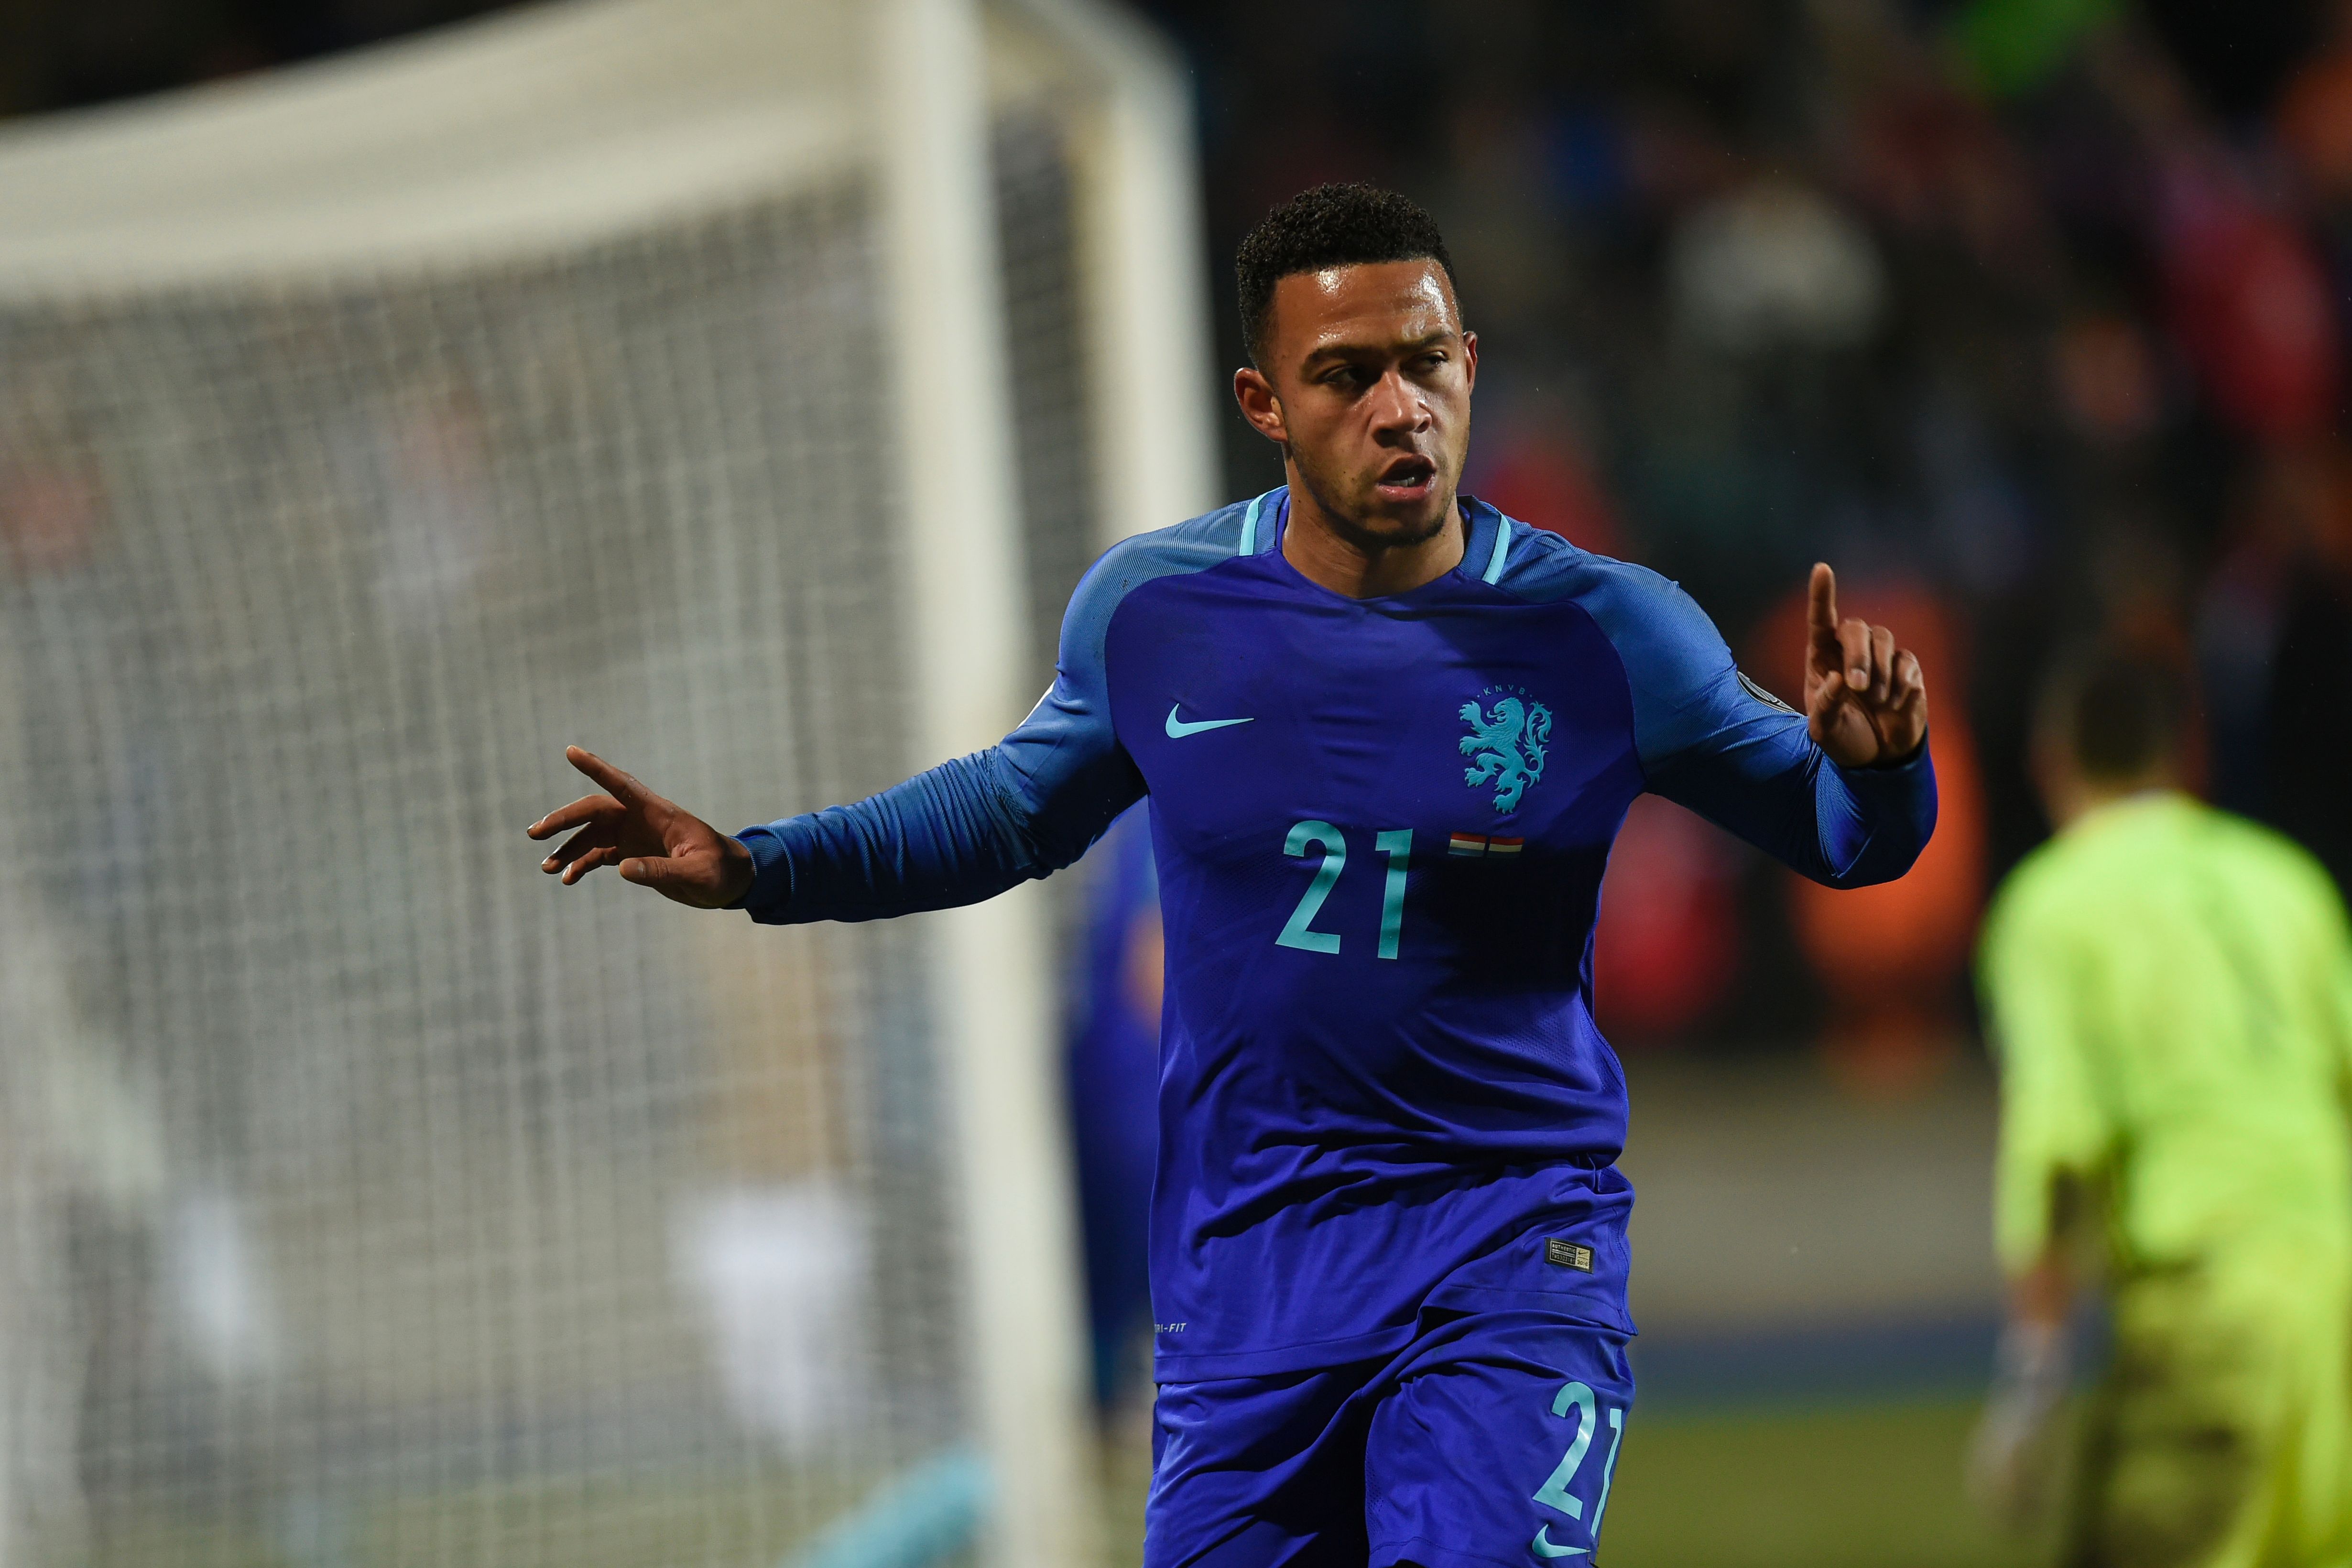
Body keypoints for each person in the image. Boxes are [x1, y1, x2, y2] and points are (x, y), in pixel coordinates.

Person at [528, 184, 1936, 1568]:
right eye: (1348, 376)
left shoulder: (1609, 633)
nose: (1401, 408)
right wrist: (760, 866)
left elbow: (1845, 838)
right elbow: (1007, 812)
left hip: (1505, 1247)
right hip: (1248, 1278)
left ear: (1471, 365)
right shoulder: (1160, 612)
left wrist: (1882, 767)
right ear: (1265, 403)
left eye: (1427, 363)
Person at [1970, 646, 2352, 1568]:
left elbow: (2058, 1138)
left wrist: (2033, 1374)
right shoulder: (2285, 880)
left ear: (2050, 761)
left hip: (2208, 1307)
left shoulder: (2053, 906)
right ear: (2186, 753)